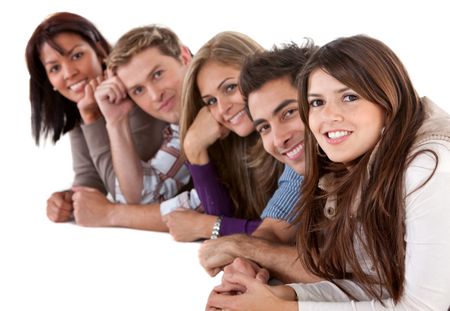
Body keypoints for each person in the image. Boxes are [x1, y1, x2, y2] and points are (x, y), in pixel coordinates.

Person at [207, 35, 450, 310]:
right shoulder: (355, 163)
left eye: (348, 97)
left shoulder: (427, 167)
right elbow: (378, 284)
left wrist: (282, 307)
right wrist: (277, 296)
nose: (328, 116)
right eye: (317, 103)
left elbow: (424, 307)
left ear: (388, 100)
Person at [25, 12, 166, 224]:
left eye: (77, 56)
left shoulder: (135, 92)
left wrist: (91, 117)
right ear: (49, 81)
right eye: (55, 68)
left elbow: (128, 193)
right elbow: (90, 178)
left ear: (99, 52)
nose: (69, 73)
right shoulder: (82, 105)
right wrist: (68, 199)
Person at [198, 42, 320, 283]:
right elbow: (274, 228)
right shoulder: (304, 163)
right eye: (264, 127)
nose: (279, 139)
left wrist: (244, 247)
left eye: (289, 113)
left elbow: (357, 276)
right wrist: (242, 268)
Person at [71, 25, 195, 229]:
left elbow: (206, 211)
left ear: (184, 57)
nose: (155, 96)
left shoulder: (220, 103)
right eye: (138, 90)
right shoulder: (180, 128)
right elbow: (143, 197)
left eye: (157, 74)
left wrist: (109, 214)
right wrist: (116, 121)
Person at [173, 31, 284, 242]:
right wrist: (194, 149)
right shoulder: (236, 146)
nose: (223, 109)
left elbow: (285, 234)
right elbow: (225, 216)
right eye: (211, 101)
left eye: (230, 87)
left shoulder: (293, 136)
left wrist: (205, 226)